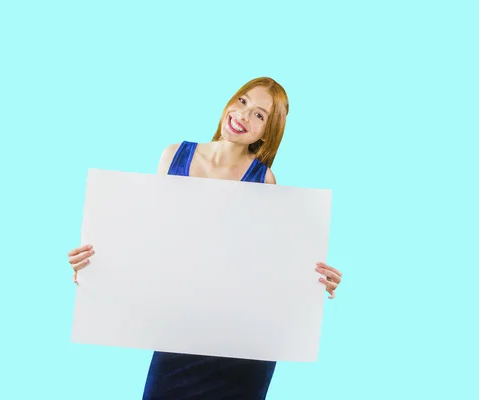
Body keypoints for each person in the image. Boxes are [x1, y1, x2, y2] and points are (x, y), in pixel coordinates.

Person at [67, 77, 343, 399]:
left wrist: (313, 282)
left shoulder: (263, 180)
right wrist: (97, 270)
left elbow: (266, 262)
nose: (243, 115)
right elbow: (150, 240)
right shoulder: (173, 156)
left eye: (259, 115)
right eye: (242, 102)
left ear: (268, 132)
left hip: (243, 346)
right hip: (179, 332)